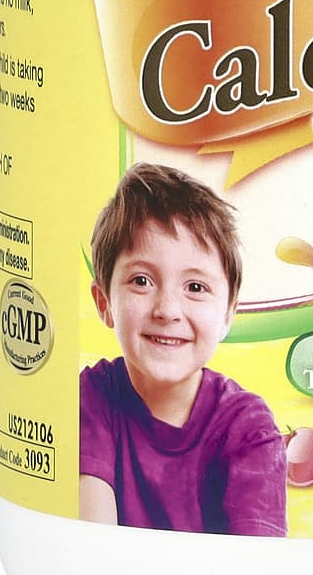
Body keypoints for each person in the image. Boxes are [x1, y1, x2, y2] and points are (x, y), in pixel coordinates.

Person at [78, 162, 287, 535]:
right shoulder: (92, 397)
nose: (167, 310)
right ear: (104, 301)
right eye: (141, 281)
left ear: (229, 313)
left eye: (195, 287)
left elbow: (258, 561)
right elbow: (92, 545)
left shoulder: (249, 430)